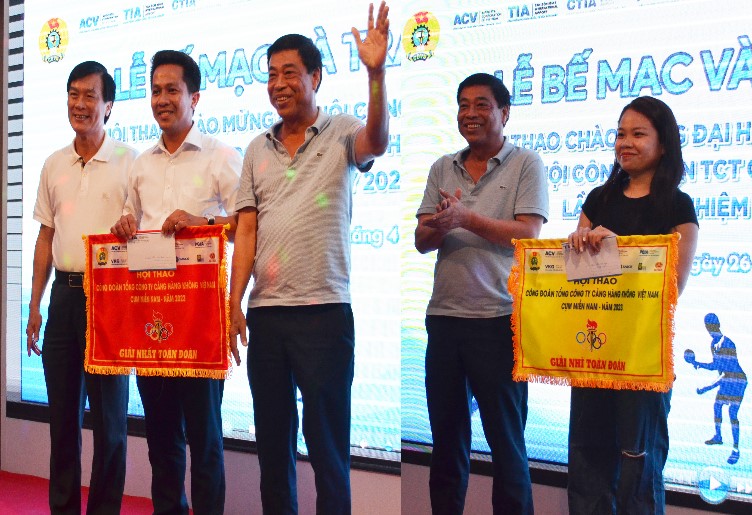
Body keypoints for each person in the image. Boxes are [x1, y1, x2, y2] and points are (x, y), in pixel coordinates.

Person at [226, 4, 391, 513]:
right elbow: (246, 230)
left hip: (324, 315)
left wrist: (376, 74)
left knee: (327, 451)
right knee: (274, 450)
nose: (278, 84)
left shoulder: (342, 131)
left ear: (315, 77)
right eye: (271, 75)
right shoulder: (256, 148)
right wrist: (234, 302)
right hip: (268, 316)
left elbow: (377, 142)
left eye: (289, 73)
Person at [106, 49, 240, 515]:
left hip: (200, 323)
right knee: (162, 441)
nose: (162, 99)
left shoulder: (222, 157)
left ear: (194, 97)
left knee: (205, 440)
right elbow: (131, 220)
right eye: (155, 91)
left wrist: (202, 222)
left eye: (172, 90)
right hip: (152, 321)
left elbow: (247, 226)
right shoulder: (140, 164)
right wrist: (124, 225)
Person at [413, 72, 546, 515]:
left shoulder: (526, 163)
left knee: (506, 444)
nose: (470, 114)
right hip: (445, 320)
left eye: (482, 105)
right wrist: (441, 223)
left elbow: (528, 234)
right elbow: (421, 240)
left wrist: (466, 219)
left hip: (498, 320)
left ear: (504, 113)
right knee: (446, 442)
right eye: (463, 105)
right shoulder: (442, 167)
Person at [565, 96, 699, 515]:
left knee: (638, 468)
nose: (625, 142)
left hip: (643, 356)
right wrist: (576, 247)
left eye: (638, 134)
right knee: (587, 462)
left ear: (664, 144)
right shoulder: (598, 199)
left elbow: (672, 286)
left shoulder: (678, 205)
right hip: (593, 352)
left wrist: (618, 250)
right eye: (621, 133)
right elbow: (578, 282)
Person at [27, 60, 136, 515]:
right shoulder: (54, 163)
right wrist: (34, 306)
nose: (80, 103)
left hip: (110, 299)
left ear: (108, 106)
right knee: (62, 421)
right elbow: (45, 237)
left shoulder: (131, 162)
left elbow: (144, 230)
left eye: (90, 95)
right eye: (74, 94)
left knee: (110, 424)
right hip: (64, 298)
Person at [687, 312, 746, 465]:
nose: (709, 329)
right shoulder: (713, 344)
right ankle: (718, 437)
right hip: (727, 380)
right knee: (717, 406)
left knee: (732, 414)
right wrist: (699, 364)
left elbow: (725, 373)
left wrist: (706, 388)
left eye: (711, 326)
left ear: (717, 325)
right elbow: (716, 366)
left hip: (737, 381)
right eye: (707, 327)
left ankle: (736, 450)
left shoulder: (728, 344)